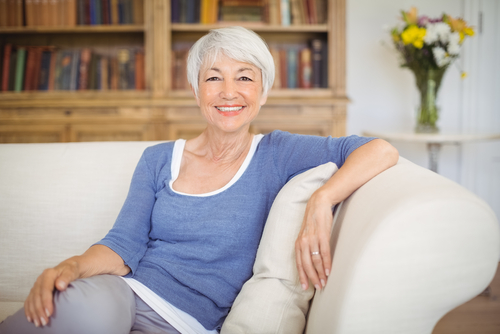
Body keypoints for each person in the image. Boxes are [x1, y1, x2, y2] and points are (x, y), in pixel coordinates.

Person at [0, 26, 398, 334]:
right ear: (196, 91)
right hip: (124, 294)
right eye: (213, 78)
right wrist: (70, 267)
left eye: (244, 78)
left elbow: (381, 149)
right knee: (68, 309)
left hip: (191, 322)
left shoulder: (278, 152)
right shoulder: (158, 159)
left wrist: (322, 199)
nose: (229, 92)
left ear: (263, 92)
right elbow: (122, 248)